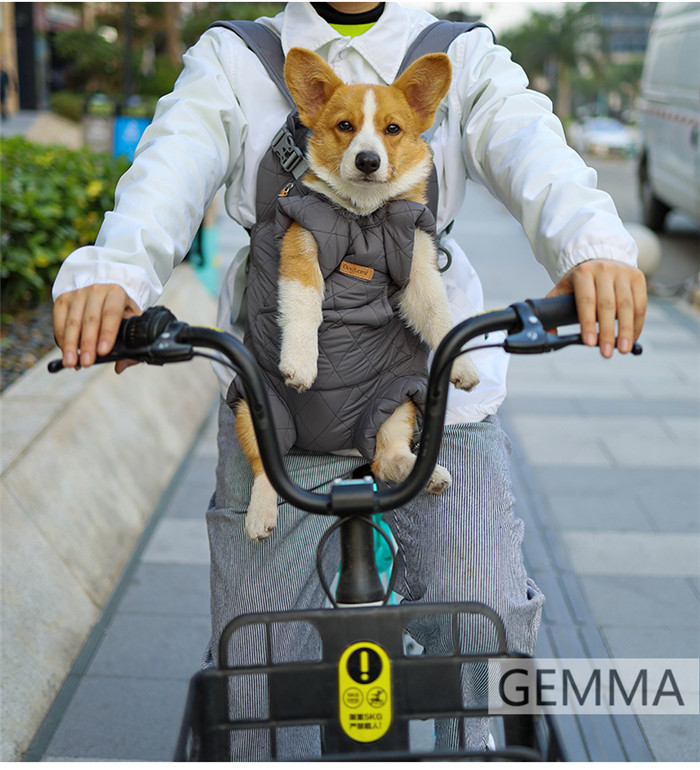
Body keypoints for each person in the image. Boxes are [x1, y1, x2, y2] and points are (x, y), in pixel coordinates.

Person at [52, 1, 647, 758]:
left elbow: (532, 146)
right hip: (283, 389)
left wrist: (592, 249)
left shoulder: (457, 52)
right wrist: (118, 275)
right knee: (254, 664)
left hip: (426, 390)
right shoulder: (239, 56)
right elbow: (171, 163)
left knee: (483, 621)